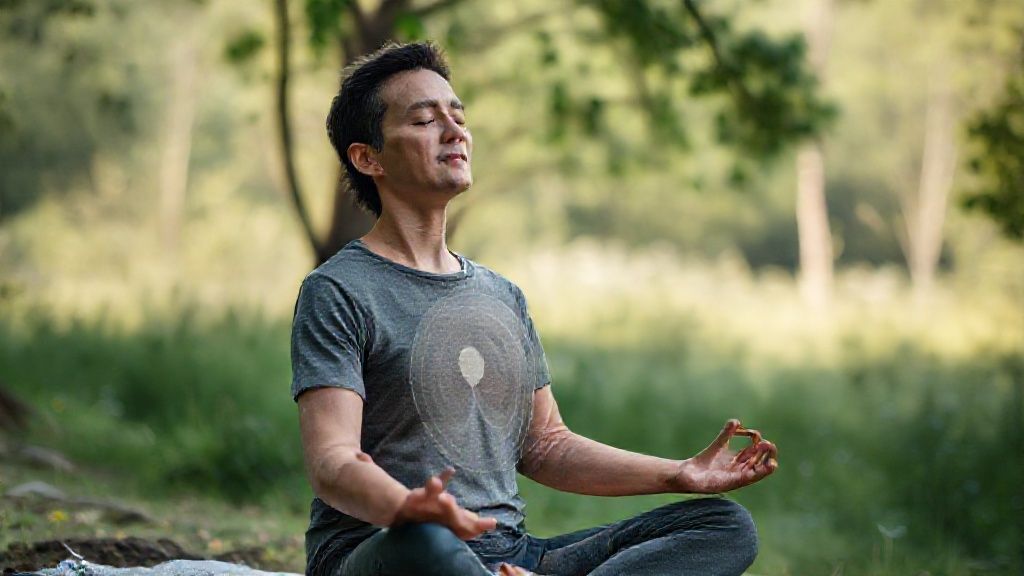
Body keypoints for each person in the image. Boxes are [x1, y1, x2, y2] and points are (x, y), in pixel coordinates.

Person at [290, 41, 779, 576]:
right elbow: (331, 461)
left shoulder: (502, 295)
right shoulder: (338, 290)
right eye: (426, 120)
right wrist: (406, 510)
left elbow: (545, 446)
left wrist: (679, 474)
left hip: (512, 556)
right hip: (390, 552)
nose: (455, 132)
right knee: (428, 545)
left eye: (457, 116)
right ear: (369, 157)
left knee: (723, 526)